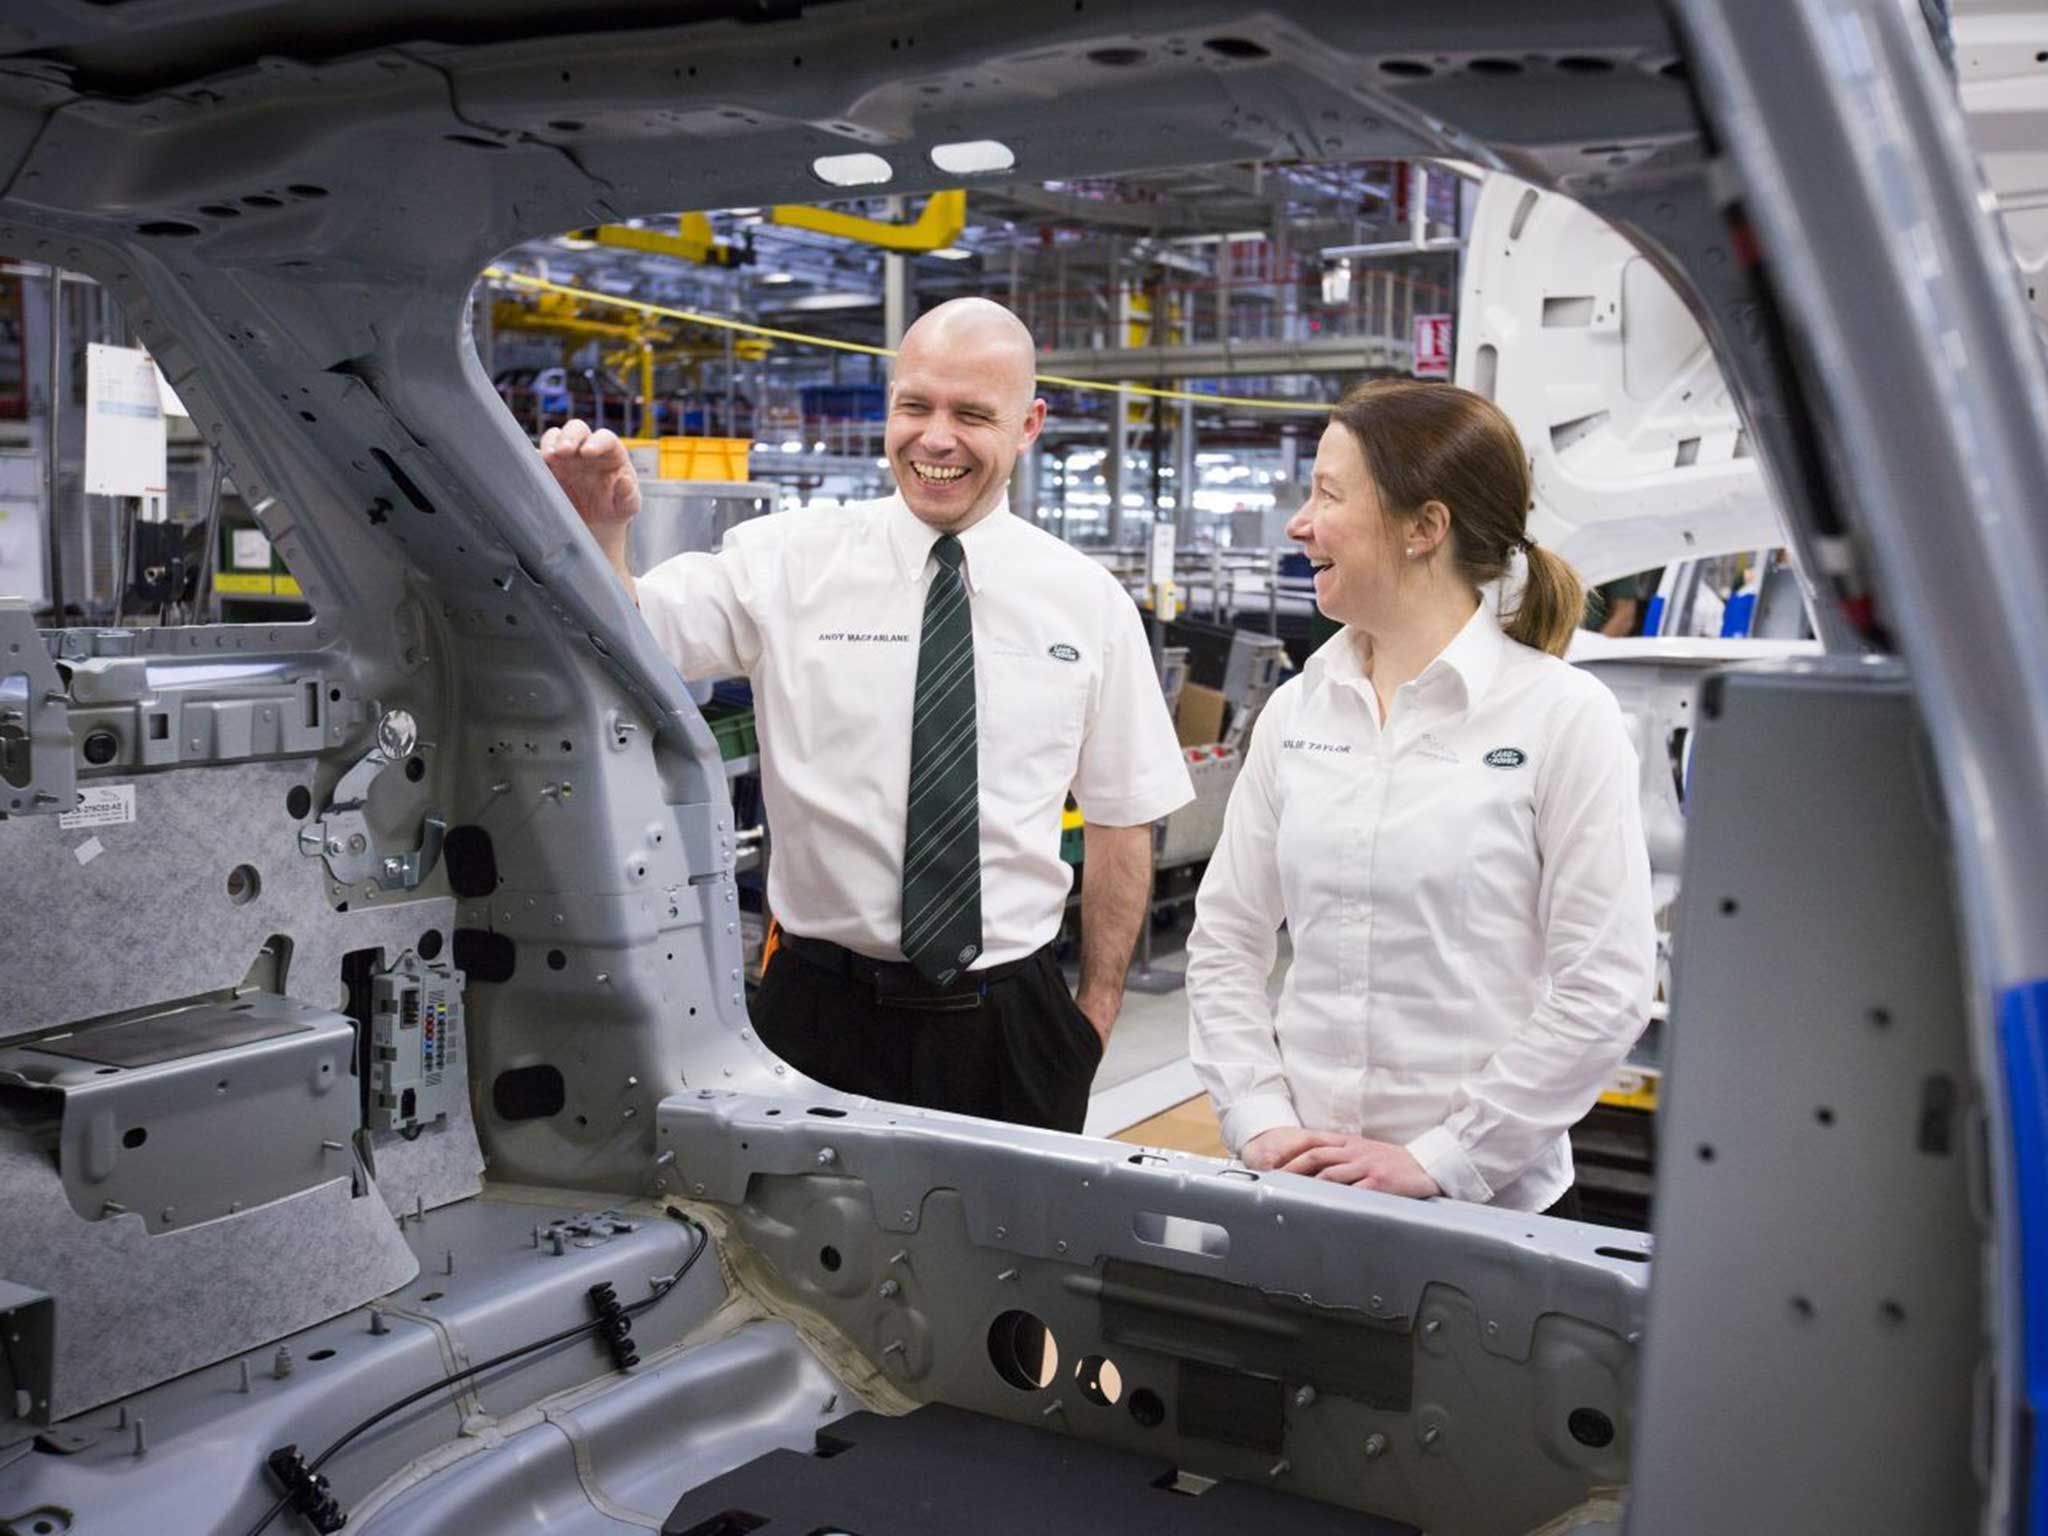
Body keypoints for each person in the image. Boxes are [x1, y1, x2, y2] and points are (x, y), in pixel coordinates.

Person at [543, 297, 1194, 1133]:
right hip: (817, 1013)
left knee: (1008, 1261)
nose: (935, 438)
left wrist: (1093, 1014)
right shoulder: (790, 561)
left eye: (972, 414)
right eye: (915, 406)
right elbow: (638, 631)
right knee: (797, 1259)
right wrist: (601, 540)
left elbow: (1122, 816)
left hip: (1010, 1021)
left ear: (1029, 424)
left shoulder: (1085, 602)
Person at [1185, 378, 1655, 1216]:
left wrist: (1445, 1158)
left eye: (1327, 493)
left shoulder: (1561, 717)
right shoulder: (1299, 710)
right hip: (1302, 1193)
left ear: (1424, 528)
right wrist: (1258, 1120)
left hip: (1490, 1213)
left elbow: (1605, 986)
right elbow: (1227, 939)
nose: (1299, 523)